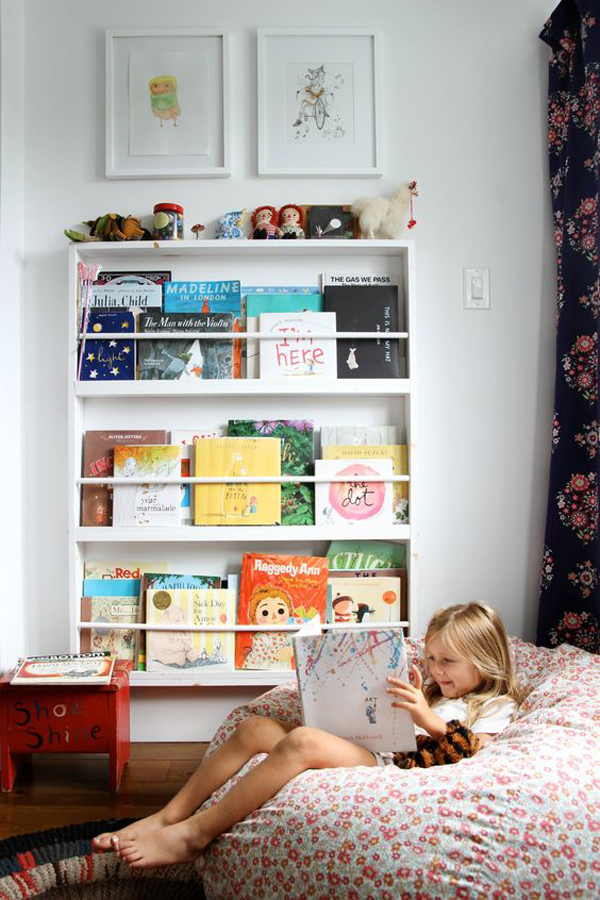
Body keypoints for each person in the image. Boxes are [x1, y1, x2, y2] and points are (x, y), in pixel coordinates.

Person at [92, 602, 522, 869]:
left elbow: (474, 752)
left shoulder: (493, 705)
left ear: (484, 664)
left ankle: (194, 835)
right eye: (431, 658)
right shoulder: (432, 686)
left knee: (302, 743)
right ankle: (170, 815)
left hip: (395, 765)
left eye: (448, 662)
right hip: (368, 740)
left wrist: (427, 718)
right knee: (255, 727)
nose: (436, 670)